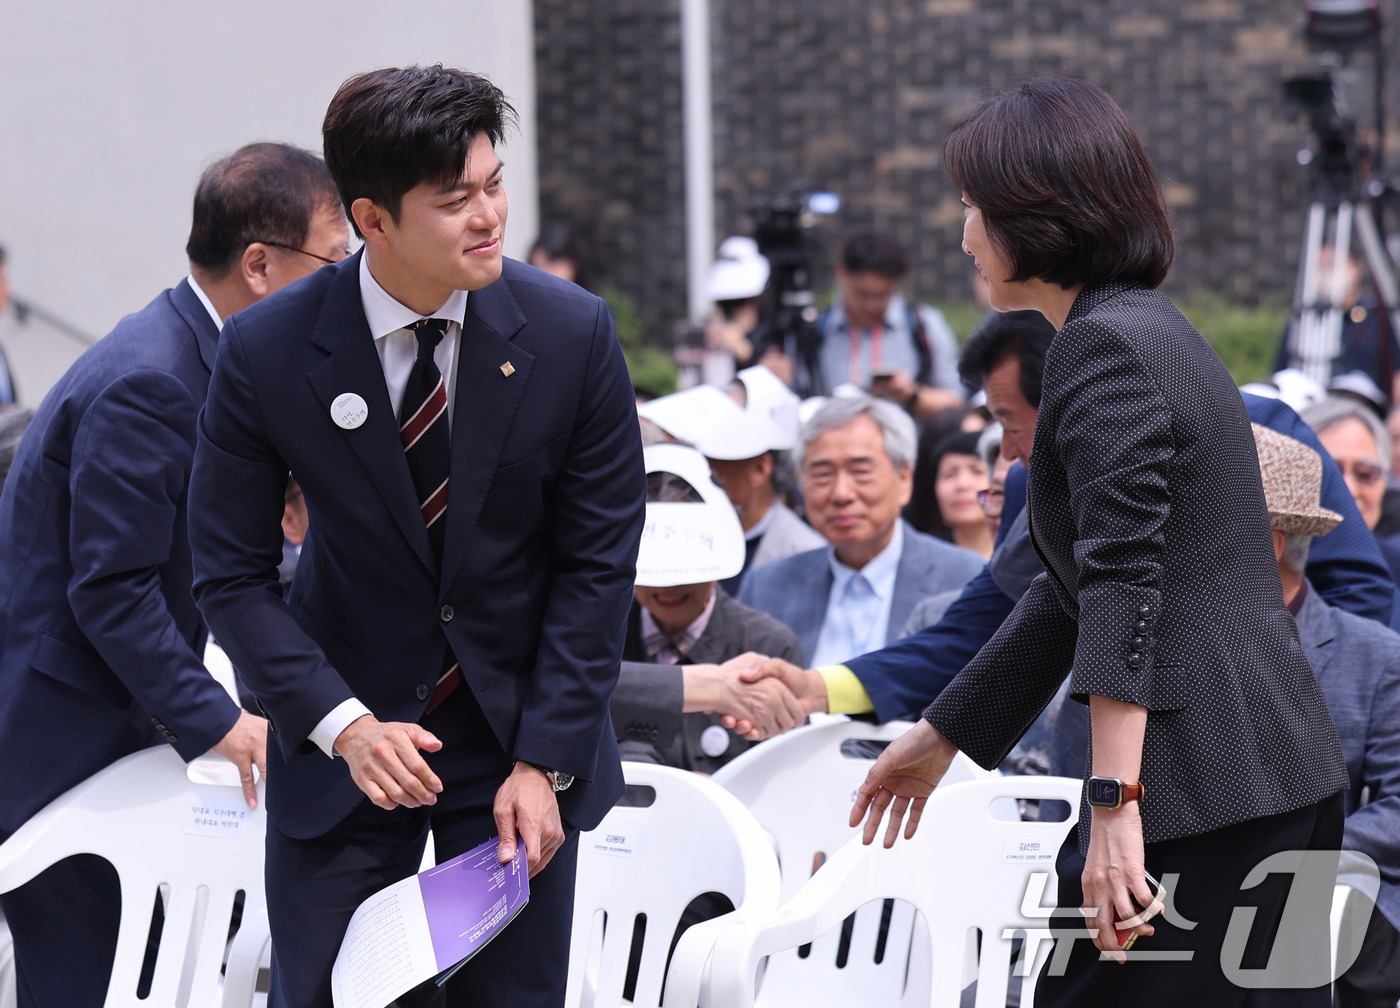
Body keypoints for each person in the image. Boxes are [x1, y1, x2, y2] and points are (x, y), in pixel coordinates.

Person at [848, 77, 1348, 1004]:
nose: (962, 234)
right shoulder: (1151, 329)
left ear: (1033, 216)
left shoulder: (1102, 347)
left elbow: (1124, 584)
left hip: (1195, 793)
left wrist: (1117, 808)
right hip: (1271, 770)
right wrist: (944, 734)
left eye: (970, 206)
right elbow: (1073, 585)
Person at [187, 66, 644, 1008]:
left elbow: (596, 567)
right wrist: (341, 724)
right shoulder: (268, 350)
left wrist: (546, 759)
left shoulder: (571, 334)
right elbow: (229, 575)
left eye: (493, 185)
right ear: (374, 219)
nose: (489, 217)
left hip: (518, 743)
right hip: (349, 737)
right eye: (454, 201)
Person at [0, 142, 344, 1008]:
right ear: (260, 265)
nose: (346, 285)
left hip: (100, 721)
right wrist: (220, 720)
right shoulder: (154, 380)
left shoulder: (196, 352)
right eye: (336, 261)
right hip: (59, 736)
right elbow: (110, 588)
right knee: (90, 976)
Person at [1047, 423, 1400, 1008]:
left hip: (1309, 898)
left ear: (1269, 543)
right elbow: (1072, 782)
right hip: (1151, 898)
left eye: (1190, 526)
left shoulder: (1374, 656)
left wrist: (1283, 859)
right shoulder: (1129, 647)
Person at [737, 393, 983, 666]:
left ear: (903, 479)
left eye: (861, 471)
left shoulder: (966, 579)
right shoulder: (767, 586)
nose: (842, 494)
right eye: (822, 474)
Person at [620, 444, 802, 772]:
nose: (667, 586)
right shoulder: (598, 639)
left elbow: (785, 773)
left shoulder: (767, 647)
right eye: (653, 566)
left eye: (687, 567)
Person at [775, 229, 964, 413]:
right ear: (841, 274)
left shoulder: (923, 326)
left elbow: (956, 404)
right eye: (862, 294)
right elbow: (790, 400)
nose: (872, 305)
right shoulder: (812, 330)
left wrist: (911, 395)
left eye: (883, 295)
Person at [695, 365, 825, 593]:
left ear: (759, 468)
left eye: (717, 453)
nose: (700, 461)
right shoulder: (688, 536)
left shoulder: (806, 557)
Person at [914, 429, 993, 558]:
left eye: (977, 471)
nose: (962, 484)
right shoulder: (921, 561)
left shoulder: (1030, 560)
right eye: (949, 474)